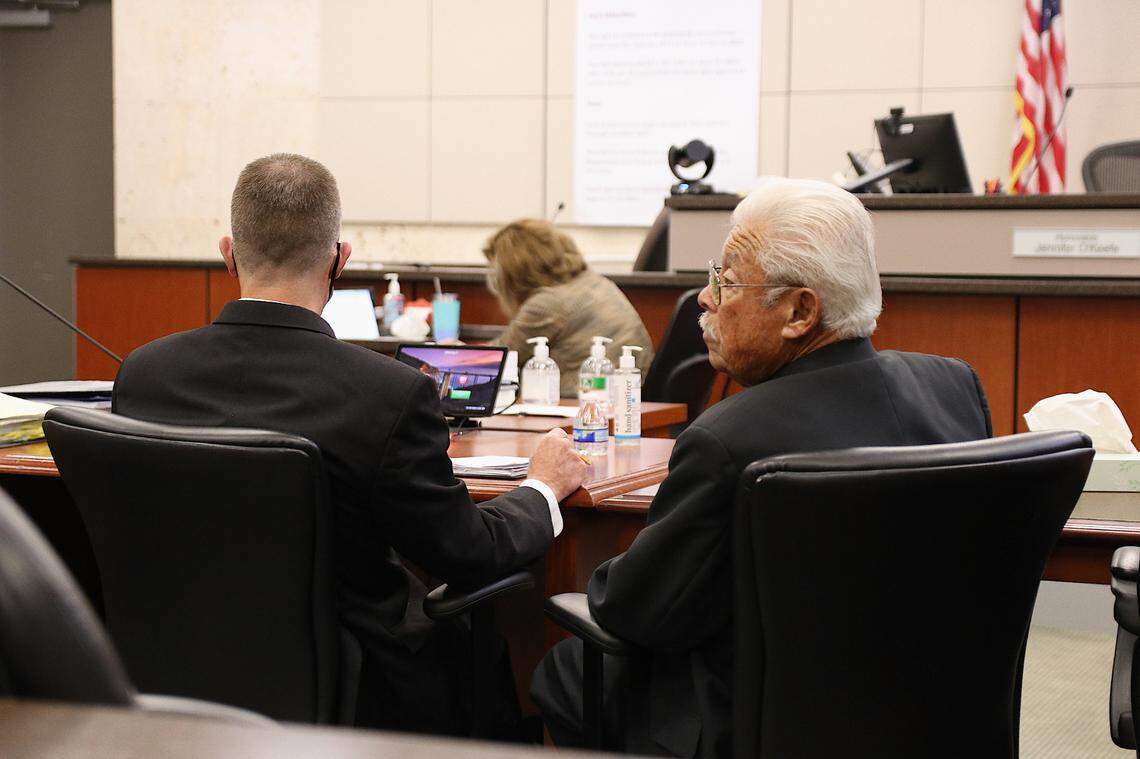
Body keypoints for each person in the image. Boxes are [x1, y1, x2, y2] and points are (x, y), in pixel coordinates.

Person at [112, 154, 588, 736]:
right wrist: (543, 487)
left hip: (172, 673)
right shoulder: (386, 394)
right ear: (340, 261)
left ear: (228, 254)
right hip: (359, 692)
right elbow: (467, 553)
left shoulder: (143, 375)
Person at [530, 178, 993, 757]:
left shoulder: (728, 438)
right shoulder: (954, 387)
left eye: (725, 281)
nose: (705, 298)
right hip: (932, 713)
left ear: (800, 311)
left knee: (564, 668)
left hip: (756, 725)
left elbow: (636, 612)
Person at [483, 219, 654, 397]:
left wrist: (454, 350)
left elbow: (495, 360)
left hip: (590, 398)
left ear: (513, 273)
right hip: (632, 391)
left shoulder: (547, 304)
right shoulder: (594, 281)